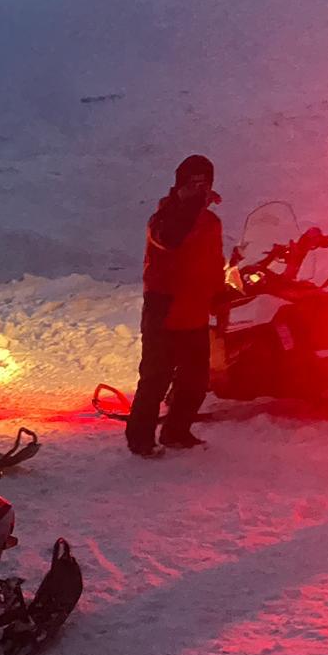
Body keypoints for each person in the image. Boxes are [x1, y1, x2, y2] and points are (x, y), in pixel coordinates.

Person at [126, 154, 228, 457]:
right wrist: (190, 205)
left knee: (195, 381)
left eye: (204, 183)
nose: (199, 189)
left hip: (194, 311)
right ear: (180, 184)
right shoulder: (163, 218)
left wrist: (219, 293)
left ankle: (177, 430)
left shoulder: (211, 222)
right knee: (155, 379)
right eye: (192, 183)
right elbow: (170, 239)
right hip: (164, 311)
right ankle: (140, 438)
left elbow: (213, 262)